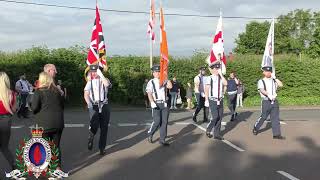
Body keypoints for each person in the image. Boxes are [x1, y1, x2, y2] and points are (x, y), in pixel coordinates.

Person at [31, 72, 64, 167]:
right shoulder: (57, 91)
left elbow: (34, 108)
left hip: (43, 125)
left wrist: (30, 105)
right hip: (58, 123)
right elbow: (62, 105)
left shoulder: (39, 92)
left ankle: (45, 169)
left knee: (43, 148)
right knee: (56, 147)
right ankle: (58, 168)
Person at [84, 65, 112, 155]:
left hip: (104, 105)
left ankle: (102, 147)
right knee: (94, 125)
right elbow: (86, 94)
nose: (94, 73)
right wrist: (89, 104)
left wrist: (101, 75)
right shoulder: (90, 82)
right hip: (94, 106)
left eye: (95, 71)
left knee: (104, 128)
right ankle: (91, 136)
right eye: (92, 72)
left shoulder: (105, 80)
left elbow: (107, 85)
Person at [252, 66, 285, 139]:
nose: (267, 73)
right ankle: (256, 128)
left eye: (269, 71)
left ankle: (276, 134)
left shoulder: (274, 80)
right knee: (263, 116)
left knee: (275, 118)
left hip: (274, 101)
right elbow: (261, 89)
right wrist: (268, 94)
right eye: (266, 71)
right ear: (264, 73)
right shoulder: (261, 81)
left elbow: (281, 85)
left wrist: (275, 78)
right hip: (266, 101)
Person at [146, 65, 172, 146]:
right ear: (153, 73)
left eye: (158, 71)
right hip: (156, 103)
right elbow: (149, 93)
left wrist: (166, 77)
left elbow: (170, 86)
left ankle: (162, 139)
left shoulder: (164, 80)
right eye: (156, 72)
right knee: (157, 121)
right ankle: (150, 133)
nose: (157, 73)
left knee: (164, 122)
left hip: (164, 103)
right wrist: (152, 102)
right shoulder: (151, 82)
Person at [205, 62, 228, 140]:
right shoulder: (209, 78)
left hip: (220, 99)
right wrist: (206, 100)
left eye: (218, 68)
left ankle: (217, 134)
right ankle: (208, 129)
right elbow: (207, 89)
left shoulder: (221, 77)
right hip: (213, 100)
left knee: (220, 117)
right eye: (215, 68)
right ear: (212, 69)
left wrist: (221, 75)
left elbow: (226, 84)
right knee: (215, 117)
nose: (217, 70)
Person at [0, 72, 16, 170]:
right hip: (6, 121)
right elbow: (14, 110)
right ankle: (14, 167)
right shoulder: (12, 93)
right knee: (4, 147)